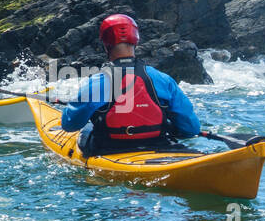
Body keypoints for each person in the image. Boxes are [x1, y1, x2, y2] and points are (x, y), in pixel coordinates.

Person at [60, 14, 201, 156]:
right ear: (136, 41)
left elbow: (70, 125)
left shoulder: (96, 83)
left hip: (110, 150)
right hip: (159, 145)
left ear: (105, 44)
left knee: (88, 128)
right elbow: (191, 129)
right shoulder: (163, 79)